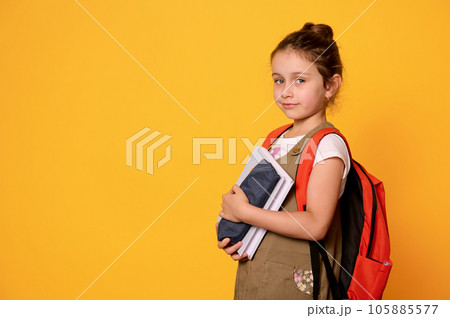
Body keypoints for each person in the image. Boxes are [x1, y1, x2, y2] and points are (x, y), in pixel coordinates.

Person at [216, 22, 351, 300]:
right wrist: (236, 232)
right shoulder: (274, 139)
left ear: (330, 85)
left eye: (300, 80)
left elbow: (316, 224)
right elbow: (252, 203)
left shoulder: (327, 145)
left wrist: (244, 213)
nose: (286, 91)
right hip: (256, 278)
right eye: (279, 80)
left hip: (297, 288)